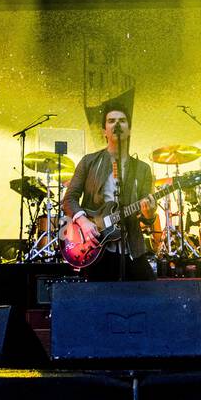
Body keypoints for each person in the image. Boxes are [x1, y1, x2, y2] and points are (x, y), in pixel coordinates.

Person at [61, 106, 157, 281]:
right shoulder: (89, 162)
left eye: (122, 121)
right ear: (104, 131)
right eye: (111, 121)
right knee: (97, 302)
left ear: (129, 130)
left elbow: (147, 216)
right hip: (95, 246)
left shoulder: (142, 169)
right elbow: (69, 198)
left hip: (131, 247)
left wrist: (149, 214)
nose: (116, 125)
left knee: (148, 292)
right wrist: (83, 221)